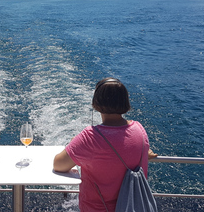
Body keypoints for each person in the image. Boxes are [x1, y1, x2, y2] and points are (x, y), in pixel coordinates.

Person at [54, 77, 157, 212]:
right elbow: (131, 148)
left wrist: (74, 143)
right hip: (134, 207)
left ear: (96, 103)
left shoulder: (90, 137)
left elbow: (59, 165)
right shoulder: (139, 130)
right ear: (125, 101)